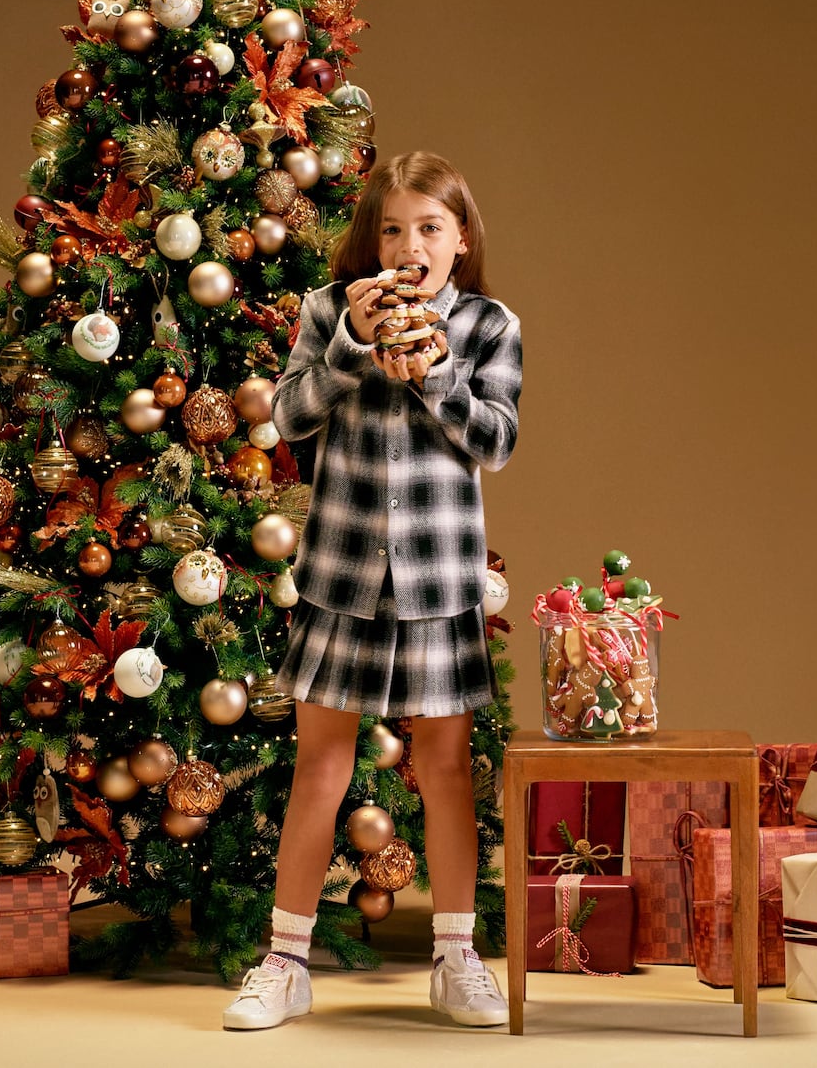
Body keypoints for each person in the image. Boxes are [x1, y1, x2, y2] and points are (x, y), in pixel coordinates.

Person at [223, 151, 522, 1031]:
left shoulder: (489, 325)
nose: (409, 244)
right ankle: (285, 962)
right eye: (393, 229)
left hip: (439, 579)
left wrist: (434, 373)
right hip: (343, 573)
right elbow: (289, 416)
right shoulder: (329, 311)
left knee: (446, 769)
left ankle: (456, 957)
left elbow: (497, 441)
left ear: (460, 239)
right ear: (372, 240)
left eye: (430, 227)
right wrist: (354, 348)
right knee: (321, 764)